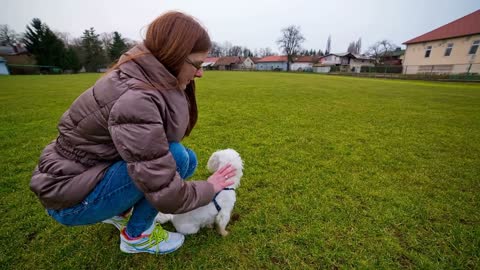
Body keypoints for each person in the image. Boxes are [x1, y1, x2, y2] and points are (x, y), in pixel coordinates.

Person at [29, 11, 236, 255]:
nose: (200, 73)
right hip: (70, 200)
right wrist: (210, 188)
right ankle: (137, 236)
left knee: (186, 159)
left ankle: (118, 210)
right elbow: (164, 188)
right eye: (197, 65)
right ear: (174, 57)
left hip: (76, 180)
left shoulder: (138, 77)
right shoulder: (137, 100)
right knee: (177, 158)